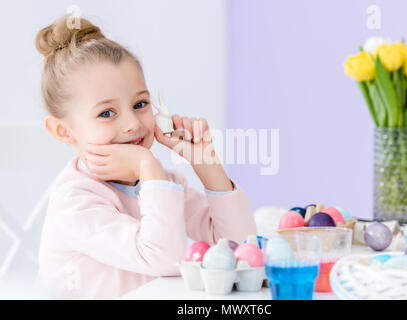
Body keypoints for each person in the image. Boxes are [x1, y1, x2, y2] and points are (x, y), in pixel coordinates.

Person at [34, 14, 257, 299]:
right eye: (106, 113)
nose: (132, 124)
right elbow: (163, 259)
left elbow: (242, 246)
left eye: (140, 104)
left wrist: (207, 166)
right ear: (63, 130)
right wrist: (147, 166)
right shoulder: (75, 201)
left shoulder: (159, 182)